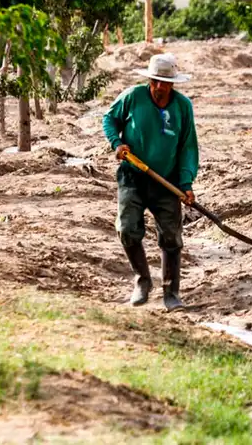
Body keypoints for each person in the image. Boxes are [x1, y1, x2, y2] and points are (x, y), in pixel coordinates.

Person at [101, 53, 199, 311]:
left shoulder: (182, 107)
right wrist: (117, 143)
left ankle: (171, 292)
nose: (158, 87)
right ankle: (142, 281)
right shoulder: (133, 97)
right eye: (154, 81)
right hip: (133, 175)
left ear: (173, 84)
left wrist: (186, 183)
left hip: (167, 181)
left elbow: (188, 147)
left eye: (164, 83)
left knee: (171, 235)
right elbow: (109, 119)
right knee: (127, 228)